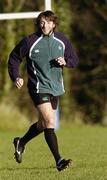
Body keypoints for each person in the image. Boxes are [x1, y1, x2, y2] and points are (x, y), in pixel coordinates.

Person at [8, 10, 79, 171]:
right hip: (38, 88)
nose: (44, 25)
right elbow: (13, 58)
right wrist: (16, 76)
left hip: (55, 88)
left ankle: (21, 142)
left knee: (42, 124)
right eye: (41, 22)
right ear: (38, 24)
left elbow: (74, 60)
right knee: (50, 122)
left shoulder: (62, 40)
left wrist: (65, 61)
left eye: (48, 22)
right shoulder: (29, 41)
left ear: (54, 24)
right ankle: (59, 161)